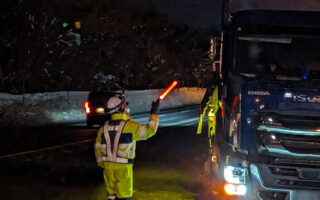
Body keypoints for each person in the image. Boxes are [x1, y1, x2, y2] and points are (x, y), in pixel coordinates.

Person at [95, 94, 160, 200]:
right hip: (123, 171)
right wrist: (154, 114)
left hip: (107, 170)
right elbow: (150, 130)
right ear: (121, 108)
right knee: (124, 197)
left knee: (111, 196)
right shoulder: (129, 127)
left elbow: (97, 148)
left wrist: (102, 163)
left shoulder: (103, 129)